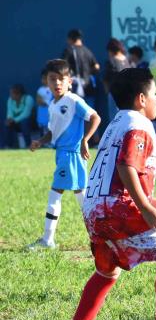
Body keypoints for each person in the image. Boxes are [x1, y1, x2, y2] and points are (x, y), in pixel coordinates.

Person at [59, 67, 156, 320]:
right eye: (155, 94)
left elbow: (115, 175)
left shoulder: (117, 123)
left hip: (95, 207)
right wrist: (146, 205)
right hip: (114, 208)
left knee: (106, 271)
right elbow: (126, 166)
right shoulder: (139, 125)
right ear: (141, 99)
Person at [28, 60, 100, 250]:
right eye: (53, 79)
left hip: (71, 155)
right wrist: (40, 142)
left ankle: (47, 240)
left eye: (62, 79)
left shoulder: (73, 100)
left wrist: (86, 140)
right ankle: (103, 237)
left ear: (70, 81)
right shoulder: (53, 104)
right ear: (47, 81)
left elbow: (95, 117)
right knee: (83, 198)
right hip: (62, 155)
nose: (57, 83)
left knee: (55, 194)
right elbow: (53, 132)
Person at [62, 29, 99, 100]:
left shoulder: (68, 50)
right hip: (88, 87)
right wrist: (88, 73)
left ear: (70, 39)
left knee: (75, 109)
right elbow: (96, 67)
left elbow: (62, 67)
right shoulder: (87, 51)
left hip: (75, 89)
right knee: (89, 110)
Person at [103, 38, 131, 127]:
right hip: (126, 94)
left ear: (112, 50)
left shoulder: (111, 61)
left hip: (116, 95)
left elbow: (105, 78)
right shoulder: (126, 60)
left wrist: (108, 91)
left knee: (114, 119)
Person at [4, 84, 34, 148]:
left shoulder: (28, 99)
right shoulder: (10, 100)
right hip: (16, 122)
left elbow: (26, 114)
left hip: (31, 123)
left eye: (12, 93)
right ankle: (8, 146)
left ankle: (28, 145)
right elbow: (9, 113)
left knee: (24, 122)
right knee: (7, 124)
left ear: (19, 94)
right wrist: (9, 119)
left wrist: (14, 120)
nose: (10, 95)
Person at [35, 70, 53, 139]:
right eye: (43, 78)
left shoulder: (54, 88)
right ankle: (44, 142)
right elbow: (38, 100)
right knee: (43, 128)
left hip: (52, 113)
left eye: (45, 78)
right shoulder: (40, 90)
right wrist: (45, 103)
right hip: (42, 112)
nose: (44, 80)